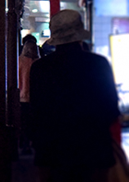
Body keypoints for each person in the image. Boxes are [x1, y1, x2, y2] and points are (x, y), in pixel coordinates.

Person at [30, 10, 120, 182]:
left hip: (53, 153)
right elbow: (111, 109)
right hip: (94, 150)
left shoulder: (40, 69)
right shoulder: (99, 64)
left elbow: (37, 113)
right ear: (80, 36)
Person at [18, 34, 39, 154]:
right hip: (34, 99)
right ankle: (30, 144)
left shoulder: (20, 61)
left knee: (25, 123)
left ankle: (25, 144)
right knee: (31, 123)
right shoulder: (39, 62)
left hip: (22, 97)